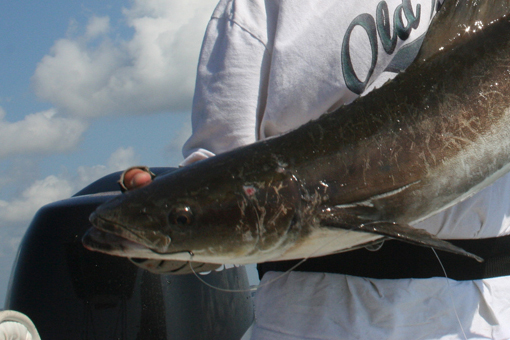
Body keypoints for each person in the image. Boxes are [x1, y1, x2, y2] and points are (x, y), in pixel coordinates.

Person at [124, 0, 510, 339]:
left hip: (489, 313)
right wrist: (172, 236)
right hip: (316, 323)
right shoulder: (255, 7)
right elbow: (221, 172)